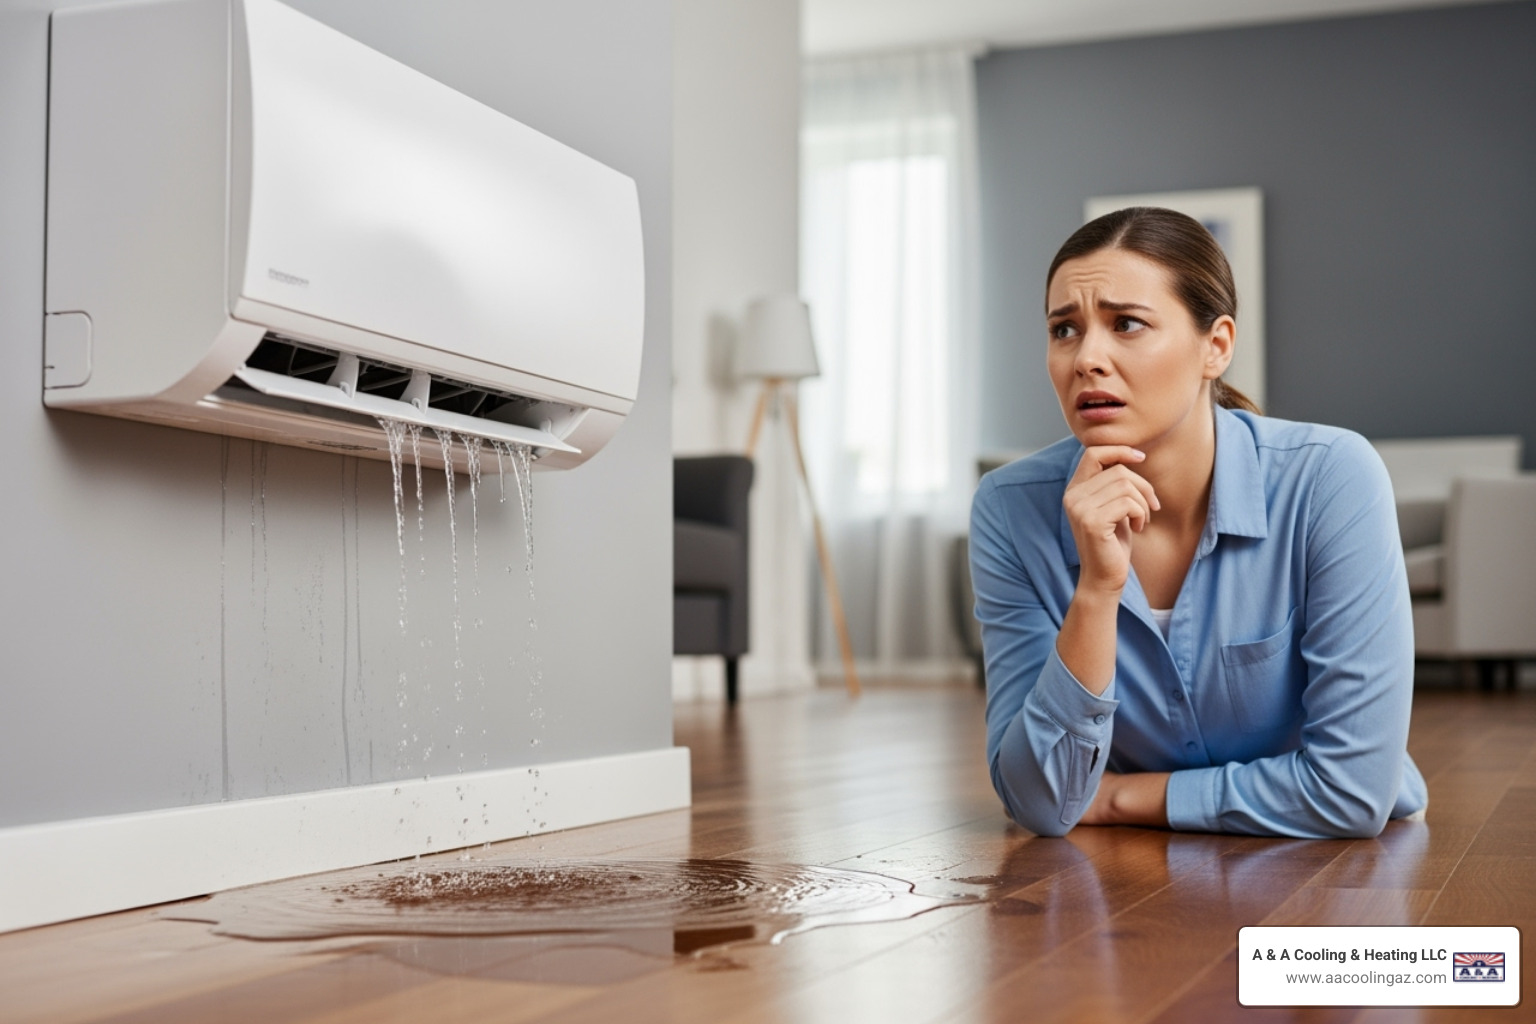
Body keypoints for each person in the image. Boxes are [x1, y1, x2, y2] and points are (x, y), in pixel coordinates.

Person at [969, 207, 1427, 839]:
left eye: (1126, 323)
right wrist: (1097, 593)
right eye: (1064, 329)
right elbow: (1041, 801)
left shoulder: (1330, 477)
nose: (1087, 358)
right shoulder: (1009, 508)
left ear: (1215, 347)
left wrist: (1120, 799)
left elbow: (1348, 793)